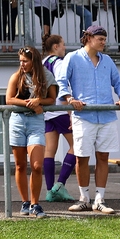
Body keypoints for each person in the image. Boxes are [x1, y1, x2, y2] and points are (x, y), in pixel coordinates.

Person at [57, 25, 120, 214]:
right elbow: (61, 81)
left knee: (103, 156)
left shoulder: (107, 61)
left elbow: (118, 81)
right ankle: (84, 198)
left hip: (106, 116)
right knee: (81, 158)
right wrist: (69, 99)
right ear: (89, 38)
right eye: (101, 38)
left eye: (105, 39)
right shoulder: (72, 58)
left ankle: (99, 199)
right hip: (83, 116)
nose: (104, 42)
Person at [6, 46, 57, 218]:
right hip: (17, 121)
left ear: (33, 60)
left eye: (25, 61)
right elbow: (9, 99)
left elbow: (52, 99)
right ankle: (25, 202)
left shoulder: (46, 75)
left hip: (36, 123)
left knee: (36, 165)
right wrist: (29, 104)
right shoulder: (16, 76)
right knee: (20, 165)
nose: (22, 64)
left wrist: (39, 101)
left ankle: (36, 204)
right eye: (20, 61)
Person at [41, 34, 77, 203]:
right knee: (77, 145)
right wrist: (70, 113)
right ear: (55, 47)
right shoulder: (59, 62)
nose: (65, 48)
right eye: (63, 45)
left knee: (49, 150)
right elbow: (62, 85)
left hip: (47, 111)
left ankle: (49, 191)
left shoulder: (41, 63)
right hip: (60, 110)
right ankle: (60, 185)